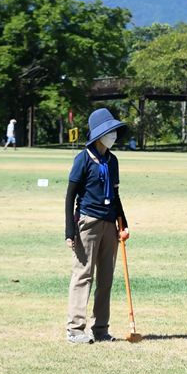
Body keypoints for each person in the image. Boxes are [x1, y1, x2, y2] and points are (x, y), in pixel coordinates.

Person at [65, 108, 129, 344]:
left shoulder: (113, 161)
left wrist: (124, 223)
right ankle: (75, 329)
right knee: (83, 275)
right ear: (99, 134)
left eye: (114, 131)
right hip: (87, 222)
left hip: (109, 223)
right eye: (109, 131)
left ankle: (100, 329)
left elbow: (116, 195)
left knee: (106, 279)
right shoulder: (83, 159)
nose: (114, 136)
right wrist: (69, 231)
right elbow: (70, 196)